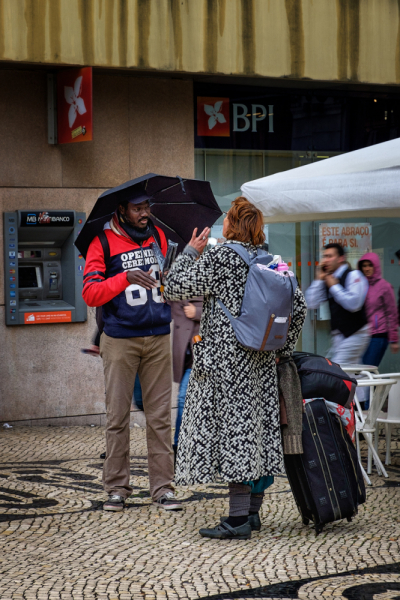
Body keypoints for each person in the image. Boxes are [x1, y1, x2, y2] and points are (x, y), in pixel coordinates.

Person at [164, 197, 307, 540]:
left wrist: (189, 253)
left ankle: (238, 520)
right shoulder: (274, 261)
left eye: (226, 218)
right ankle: (252, 514)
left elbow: (173, 287)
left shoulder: (221, 257)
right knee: (257, 433)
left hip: (225, 366)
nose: (222, 224)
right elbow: (299, 308)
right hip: (261, 363)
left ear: (233, 225)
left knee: (234, 438)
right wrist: (280, 349)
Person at [82, 193, 180, 512]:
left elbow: (171, 280)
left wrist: (172, 279)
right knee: (117, 417)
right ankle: (117, 489)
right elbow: (90, 293)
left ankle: (163, 488)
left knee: (160, 417)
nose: (145, 214)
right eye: (138, 209)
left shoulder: (159, 235)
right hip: (120, 339)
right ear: (121, 210)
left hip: (158, 337)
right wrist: (123, 278)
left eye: (147, 207)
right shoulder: (104, 242)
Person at [305, 243, 370, 366]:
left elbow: (354, 304)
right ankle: (364, 385)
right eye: (324, 256)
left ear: (341, 258)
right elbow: (311, 303)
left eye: (330, 256)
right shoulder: (328, 279)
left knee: (336, 370)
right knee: (353, 372)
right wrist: (319, 280)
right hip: (338, 336)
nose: (325, 260)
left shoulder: (354, 275)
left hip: (356, 333)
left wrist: (334, 287)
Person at [170, 297, 203, 458]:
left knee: (183, 399)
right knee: (185, 400)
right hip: (185, 355)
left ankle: (179, 446)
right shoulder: (178, 288)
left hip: (204, 355)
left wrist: (197, 312)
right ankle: (180, 446)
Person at [358, 252, 399, 367]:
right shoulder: (360, 284)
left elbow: (392, 314)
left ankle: (374, 386)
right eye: (364, 266)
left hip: (378, 336)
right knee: (360, 372)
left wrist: (394, 339)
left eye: (370, 265)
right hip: (362, 336)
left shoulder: (384, 286)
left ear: (376, 266)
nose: (367, 269)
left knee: (368, 370)